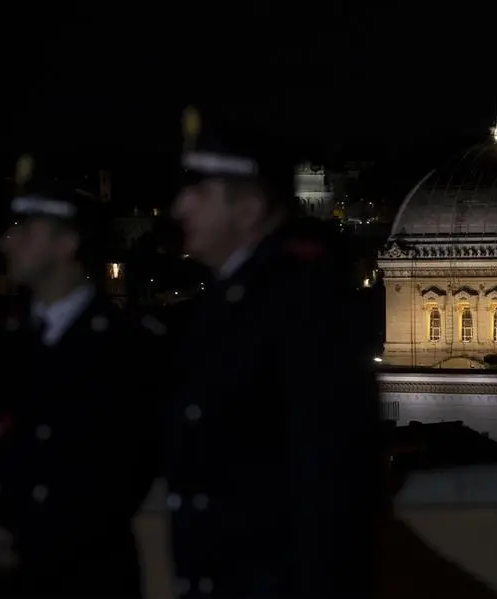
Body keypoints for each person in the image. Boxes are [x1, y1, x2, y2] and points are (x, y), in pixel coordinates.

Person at [163, 106, 382, 599]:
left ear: (249, 207)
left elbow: (328, 479)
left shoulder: (301, 301)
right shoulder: (237, 297)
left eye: (199, 193)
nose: (180, 208)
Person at [0, 155, 165, 599]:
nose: (7, 243)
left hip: (82, 582)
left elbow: (119, 479)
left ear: (66, 244)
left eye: (26, 232)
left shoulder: (127, 348)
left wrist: (18, 541)